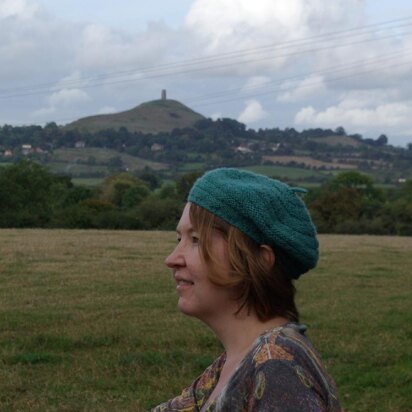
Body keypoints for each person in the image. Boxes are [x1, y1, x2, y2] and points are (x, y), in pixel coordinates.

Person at [152, 168, 341, 411]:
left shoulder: (276, 370)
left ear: (259, 260)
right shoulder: (236, 362)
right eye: (180, 240)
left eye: (197, 240)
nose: (172, 259)